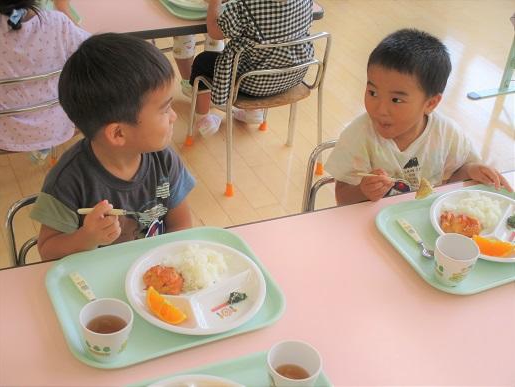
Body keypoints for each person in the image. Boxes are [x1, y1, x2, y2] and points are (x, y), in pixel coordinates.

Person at [30, 33, 196, 260]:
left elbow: (182, 224)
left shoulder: (164, 161)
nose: (174, 116)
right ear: (118, 133)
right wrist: (86, 238)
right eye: (165, 109)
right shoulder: (68, 180)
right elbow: (47, 251)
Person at [325, 28, 513, 206]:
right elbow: (342, 198)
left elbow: (453, 177)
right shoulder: (358, 136)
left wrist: (472, 171)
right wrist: (362, 192)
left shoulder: (446, 134)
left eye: (396, 100)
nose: (380, 109)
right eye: (372, 92)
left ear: (430, 103)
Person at [189, 0, 314, 137]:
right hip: (293, 75)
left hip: (251, 84)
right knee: (263, 55)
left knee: (202, 61)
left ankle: (204, 119)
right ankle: (254, 111)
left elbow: (214, 32)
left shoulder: (246, 6)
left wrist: (214, 3)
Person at [0, 0, 89, 162]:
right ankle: (42, 147)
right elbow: (92, 51)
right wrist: (63, 8)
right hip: (56, 126)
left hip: (5, 134)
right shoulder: (57, 23)